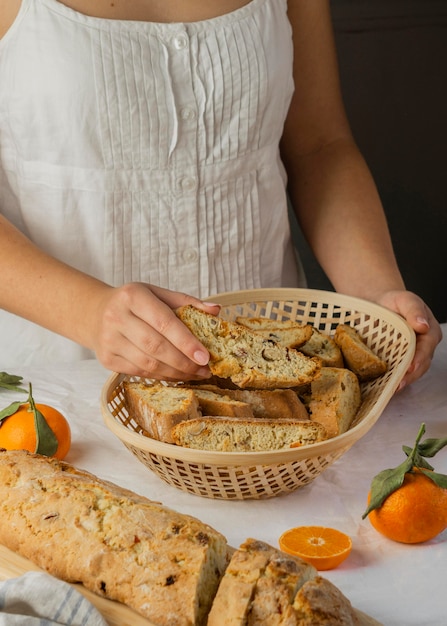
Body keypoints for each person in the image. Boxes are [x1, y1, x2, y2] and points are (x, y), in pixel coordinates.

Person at [0, 0, 441, 389]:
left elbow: (319, 146)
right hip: (61, 383)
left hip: (276, 377)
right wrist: (91, 313)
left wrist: (376, 297)